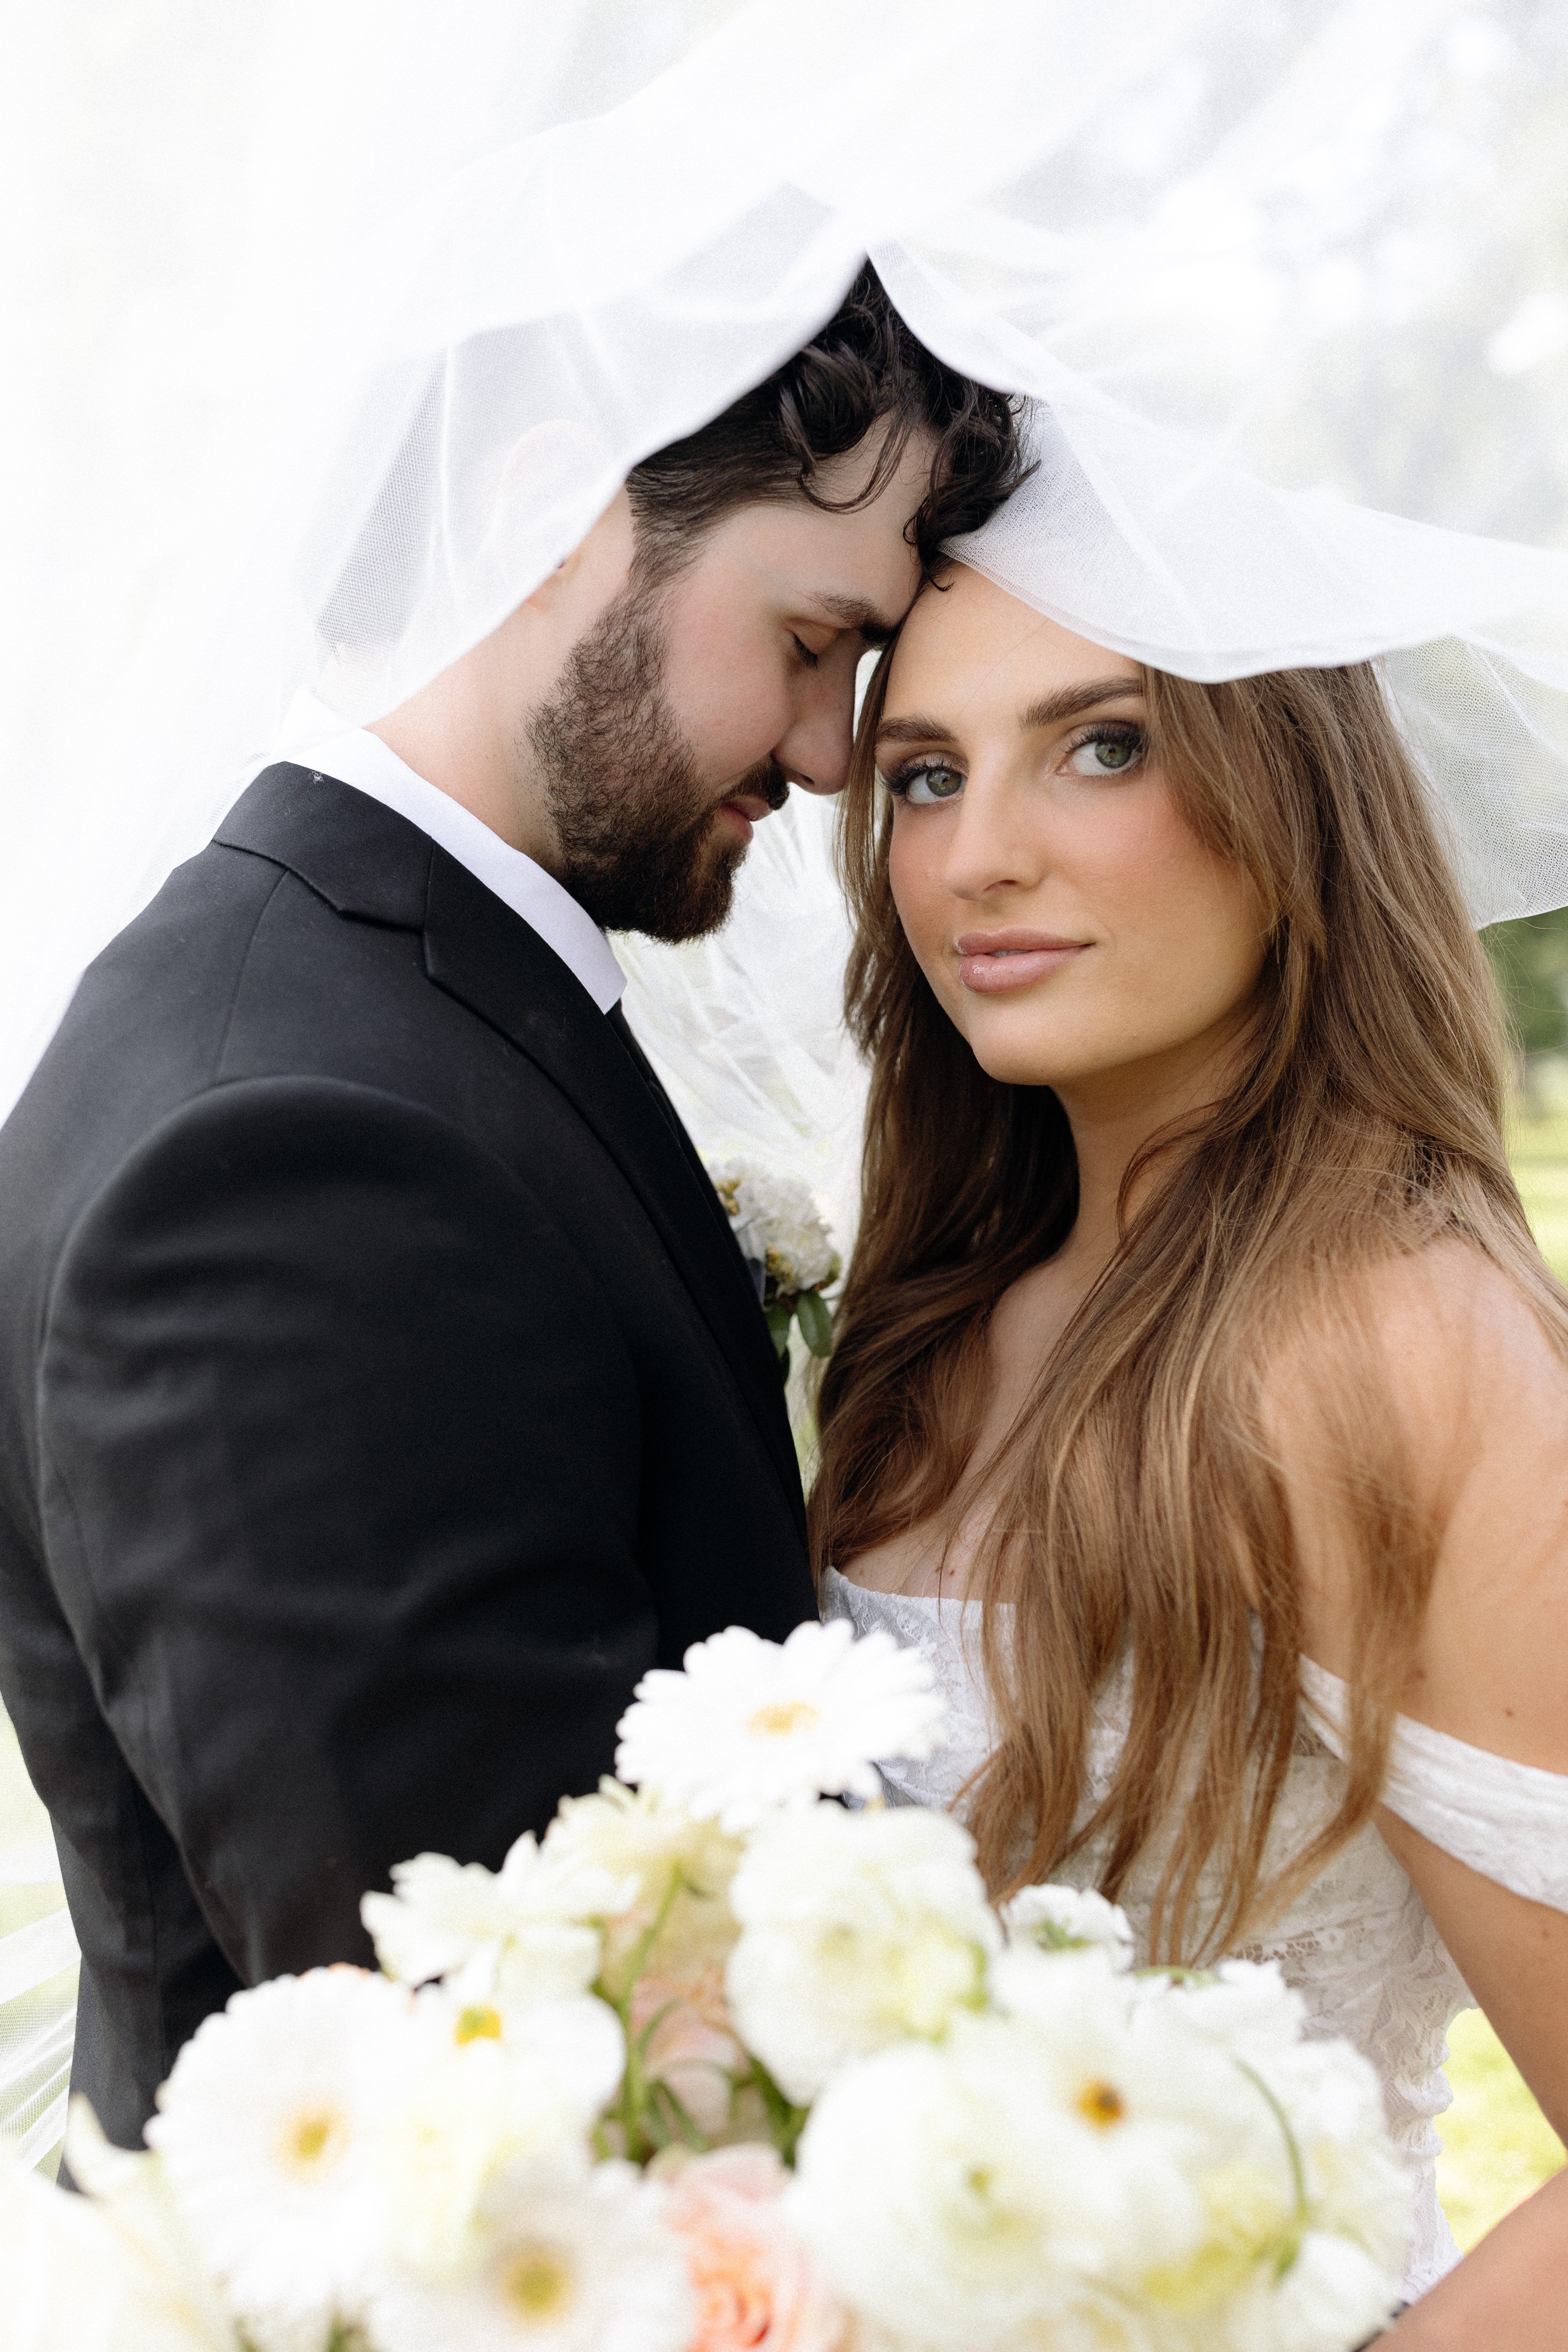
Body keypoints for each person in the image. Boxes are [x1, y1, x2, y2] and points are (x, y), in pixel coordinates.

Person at [0, 269, 1024, 2154]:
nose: (824, 756)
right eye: (810, 640)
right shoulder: (292, 1154)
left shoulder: (371, 998)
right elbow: (491, 2055)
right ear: (559, 515)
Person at [813, 564, 1568, 2343]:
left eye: (1098, 745)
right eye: (921, 775)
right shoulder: (928, 1331)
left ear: (1288, 803)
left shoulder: (1386, 1338)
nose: (975, 854)